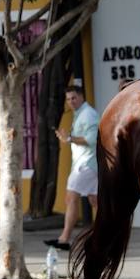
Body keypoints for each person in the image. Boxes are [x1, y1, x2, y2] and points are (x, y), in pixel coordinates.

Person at [45, 84, 99, 251]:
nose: (71, 102)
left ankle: (64, 239)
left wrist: (69, 138)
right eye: (68, 99)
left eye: (74, 98)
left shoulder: (88, 114)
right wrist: (68, 138)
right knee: (95, 201)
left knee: (71, 198)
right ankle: (104, 235)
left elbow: (91, 139)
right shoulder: (81, 114)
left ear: (82, 96)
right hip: (86, 164)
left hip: (86, 164)